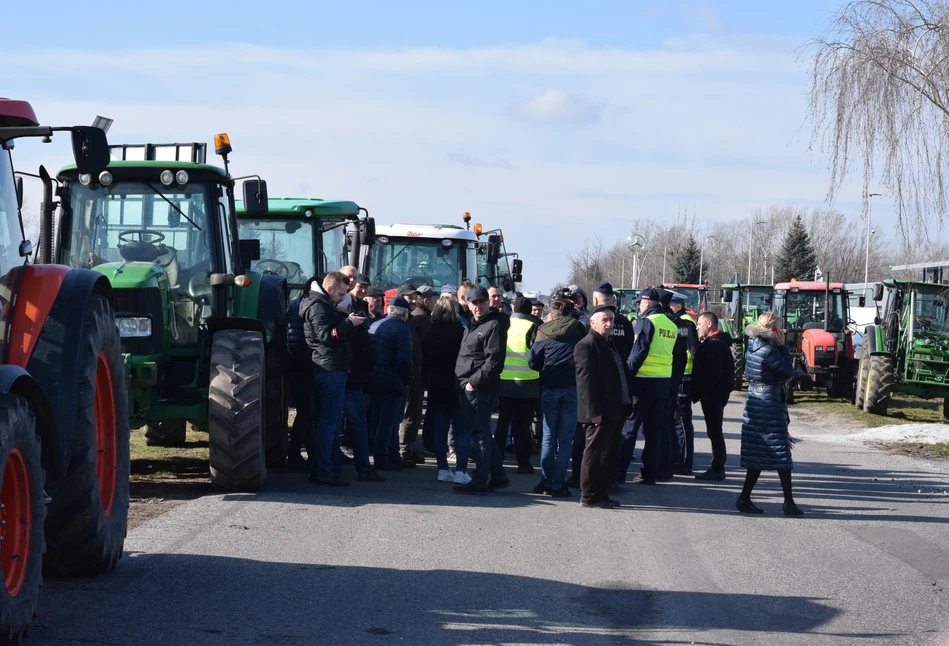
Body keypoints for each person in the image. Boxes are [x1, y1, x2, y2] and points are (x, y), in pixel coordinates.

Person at [301, 271, 366, 486]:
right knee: (329, 424)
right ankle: (323, 470)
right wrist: (348, 323)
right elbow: (327, 337)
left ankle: (323, 468)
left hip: (328, 367)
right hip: (329, 369)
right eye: (340, 294)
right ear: (329, 289)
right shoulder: (319, 307)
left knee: (327, 423)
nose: (341, 297)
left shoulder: (321, 305)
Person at [738, 312, 803, 516]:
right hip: (769, 404)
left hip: (757, 401)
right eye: (780, 328)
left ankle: (745, 498)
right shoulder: (769, 350)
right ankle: (788, 502)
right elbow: (785, 371)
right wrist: (783, 348)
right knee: (780, 451)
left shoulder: (755, 346)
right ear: (773, 329)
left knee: (760, 452)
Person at [453, 287, 510, 494]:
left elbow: (494, 362)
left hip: (479, 388)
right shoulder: (473, 325)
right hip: (468, 386)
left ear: (488, 303)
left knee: (480, 435)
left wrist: (473, 382)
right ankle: (498, 475)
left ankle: (479, 480)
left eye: (481, 302)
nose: (478, 307)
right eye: (474, 303)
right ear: (468, 305)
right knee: (482, 432)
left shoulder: (492, 325)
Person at [574, 305, 631, 508]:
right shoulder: (586, 345)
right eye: (604, 320)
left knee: (607, 455)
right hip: (599, 412)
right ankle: (589, 496)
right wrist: (593, 412)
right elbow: (585, 382)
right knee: (595, 454)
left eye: (611, 320)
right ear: (593, 322)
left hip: (615, 409)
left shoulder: (608, 343)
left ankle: (601, 492)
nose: (609, 324)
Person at [528, 298, 585, 497]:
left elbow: (533, 362)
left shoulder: (543, 331)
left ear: (551, 314)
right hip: (572, 388)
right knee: (566, 440)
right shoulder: (579, 330)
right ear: (570, 313)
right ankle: (559, 484)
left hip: (549, 388)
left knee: (548, 438)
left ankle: (545, 481)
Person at [623, 288, 676, 485]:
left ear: (646, 302)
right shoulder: (670, 324)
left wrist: (627, 375)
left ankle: (619, 473)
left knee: (629, 429)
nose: (638, 306)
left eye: (639, 303)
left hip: (643, 382)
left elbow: (639, 352)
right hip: (663, 383)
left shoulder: (647, 321)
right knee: (654, 432)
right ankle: (649, 474)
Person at [423, 296, 471, 484]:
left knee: (440, 430)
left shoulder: (429, 331)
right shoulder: (461, 331)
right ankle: (461, 470)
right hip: (457, 383)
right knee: (462, 430)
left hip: (437, 384)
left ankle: (443, 468)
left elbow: (424, 359)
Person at [338, 290, 384, 482]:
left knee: (329, 423)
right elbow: (368, 354)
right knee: (358, 425)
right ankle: (364, 468)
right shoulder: (355, 326)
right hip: (353, 380)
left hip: (336, 375)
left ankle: (331, 466)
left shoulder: (329, 321)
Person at [367, 296, 416, 471]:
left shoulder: (375, 325)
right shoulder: (402, 330)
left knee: (378, 420)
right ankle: (382, 458)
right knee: (389, 422)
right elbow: (404, 359)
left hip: (374, 379)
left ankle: (391, 455)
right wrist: (408, 380)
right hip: (392, 381)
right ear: (404, 314)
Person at [495, 297, 541, 474]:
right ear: (530, 311)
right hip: (527, 383)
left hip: (504, 380)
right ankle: (523, 463)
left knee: (502, 423)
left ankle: (497, 460)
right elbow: (537, 355)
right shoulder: (534, 327)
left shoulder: (503, 324)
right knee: (522, 426)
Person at [690, 311, 735, 480]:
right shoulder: (714, 342)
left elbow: (713, 374)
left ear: (709, 324)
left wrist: (703, 393)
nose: (697, 327)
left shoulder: (715, 344)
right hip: (714, 395)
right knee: (714, 431)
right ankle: (717, 466)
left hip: (713, 396)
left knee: (715, 432)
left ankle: (717, 468)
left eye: (699, 324)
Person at [285, 277, 319, 472]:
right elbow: (295, 342)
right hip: (301, 369)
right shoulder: (300, 309)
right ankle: (294, 454)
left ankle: (308, 454)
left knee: (308, 413)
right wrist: (306, 363)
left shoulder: (301, 307)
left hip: (303, 367)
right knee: (306, 412)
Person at [400, 285, 436, 464]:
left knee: (412, 414)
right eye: (409, 298)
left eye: (415, 297)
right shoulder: (421, 319)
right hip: (414, 375)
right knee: (410, 414)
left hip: (416, 374)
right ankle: (403, 450)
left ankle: (406, 449)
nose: (413, 301)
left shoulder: (415, 317)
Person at [669, 293, 699, 475]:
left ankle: (685, 461)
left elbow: (693, 349)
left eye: (671, 303)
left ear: (678, 305)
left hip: (685, 376)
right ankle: (678, 457)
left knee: (681, 420)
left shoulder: (685, 323)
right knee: (676, 419)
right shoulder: (679, 320)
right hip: (679, 375)